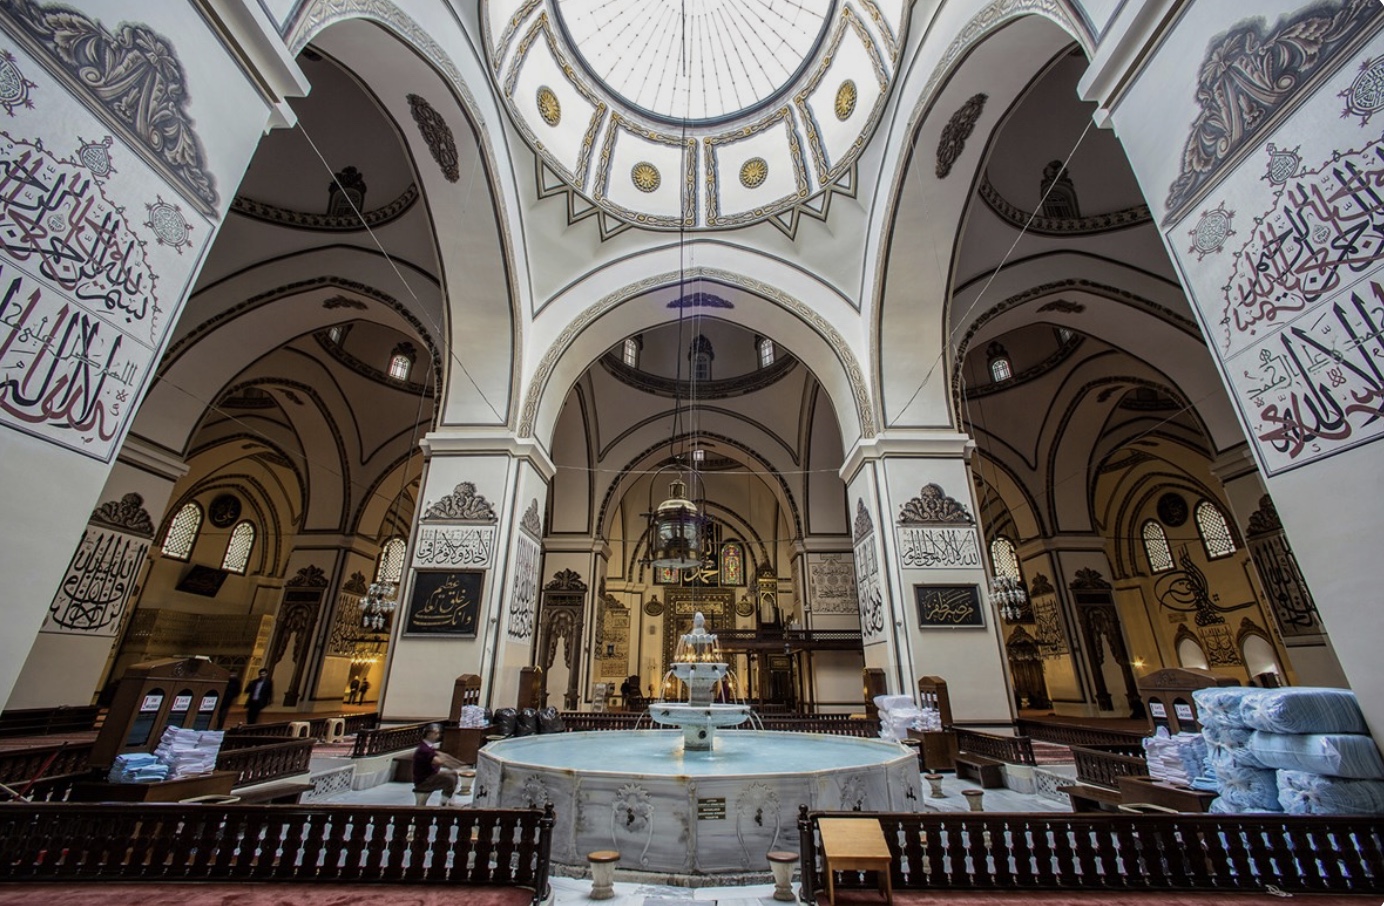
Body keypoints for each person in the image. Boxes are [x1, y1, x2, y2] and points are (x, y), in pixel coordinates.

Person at [412, 723, 461, 804]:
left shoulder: (428, 746)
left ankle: (450, 801)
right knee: (450, 780)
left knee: (453, 773)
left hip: (431, 775)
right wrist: (450, 762)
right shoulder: (424, 749)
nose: (438, 735)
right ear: (429, 734)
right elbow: (439, 761)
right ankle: (443, 803)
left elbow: (441, 755)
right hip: (424, 780)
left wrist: (458, 764)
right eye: (436, 733)